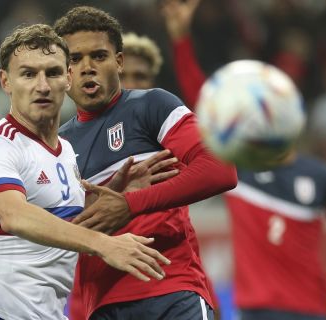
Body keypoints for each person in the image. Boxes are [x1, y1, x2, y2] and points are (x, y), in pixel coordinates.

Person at [0, 23, 173, 320]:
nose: (42, 85)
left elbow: (62, 220)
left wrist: (118, 193)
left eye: (52, 73)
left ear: (67, 78)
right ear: (6, 81)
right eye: (28, 74)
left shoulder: (65, 151)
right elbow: (15, 216)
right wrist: (104, 245)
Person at [53, 6, 237, 320]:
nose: (87, 67)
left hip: (172, 292)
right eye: (74, 59)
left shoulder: (152, 105)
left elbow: (221, 170)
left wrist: (131, 203)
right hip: (102, 305)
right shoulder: (57, 147)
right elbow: (52, 236)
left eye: (98, 56)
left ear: (118, 62)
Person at [161, 0, 326, 319]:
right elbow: (205, 105)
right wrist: (181, 37)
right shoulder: (240, 169)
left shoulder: (322, 177)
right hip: (256, 309)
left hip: (313, 308)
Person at [119, 30, 223, 320]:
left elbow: (209, 114)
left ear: (153, 84)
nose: (130, 85)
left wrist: (181, 38)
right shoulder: (79, 142)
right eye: (123, 76)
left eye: (140, 77)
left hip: (170, 285)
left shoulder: (171, 135)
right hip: (105, 293)